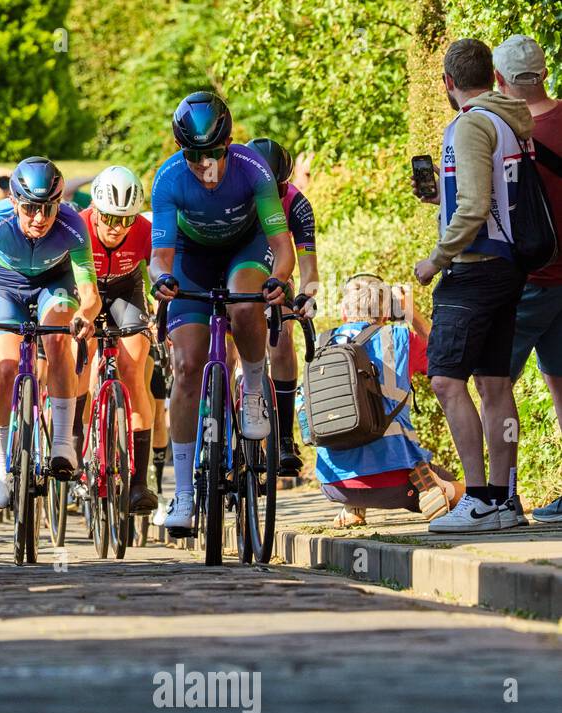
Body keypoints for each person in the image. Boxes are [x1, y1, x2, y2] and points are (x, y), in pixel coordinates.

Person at [149, 92, 294, 533]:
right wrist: (160, 279)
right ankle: (185, 494)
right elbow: (160, 256)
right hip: (192, 258)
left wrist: (280, 280)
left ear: (229, 143)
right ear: (181, 151)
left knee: (244, 300)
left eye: (213, 155)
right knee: (188, 365)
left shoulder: (253, 170)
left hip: (244, 250)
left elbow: (281, 249)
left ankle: (252, 387)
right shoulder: (169, 179)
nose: (205, 167)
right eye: (194, 157)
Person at [413, 39, 533, 533]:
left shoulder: (469, 123)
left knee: (445, 380)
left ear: (447, 83)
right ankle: (505, 499)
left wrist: (435, 259)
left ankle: (480, 498)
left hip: (474, 268)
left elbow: (475, 206)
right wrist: (439, 196)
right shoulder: (508, 120)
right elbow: (492, 195)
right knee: (494, 383)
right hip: (507, 265)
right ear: (492, 75)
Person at [0, 156, 101, 509]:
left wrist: (84, 314)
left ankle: (63, 441)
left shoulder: (72, 224)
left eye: (48, 209)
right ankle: (1, 462)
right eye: (31, 209)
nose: (39, 219)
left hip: (55, 283)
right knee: (5, 368)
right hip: (4, 287)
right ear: (14, 202)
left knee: (56, 338)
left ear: (59, 204)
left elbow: (91, 293)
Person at [312, 273, 462, 527]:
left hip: (335, 484)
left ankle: (353, 506)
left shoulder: (321, 344)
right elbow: (442, 353)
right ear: (386, 312)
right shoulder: (400, 338)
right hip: (397, 483)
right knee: (465, 490)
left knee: (350, 420)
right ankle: (441, 489)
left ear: (344, 311)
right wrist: (411, 313)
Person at [495, 35, 562, 524]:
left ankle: (503, 495)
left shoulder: (507, 133)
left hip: (531, 279)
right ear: (545, 72)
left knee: (495, 385)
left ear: (499, 80)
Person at [78, 165, 158, 515]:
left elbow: (160, 273)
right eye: (109, 218)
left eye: (125, 220)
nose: (116, 228)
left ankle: (139, 482)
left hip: (126, 292)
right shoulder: (77, 227)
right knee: (78, 359)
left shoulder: (145, 231)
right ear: (95, 211)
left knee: (132, 368)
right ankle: (76, 444)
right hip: (84, 292)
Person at [248, 136, 319, 476]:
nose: (272, 195)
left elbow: (309, 269)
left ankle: (284, 438)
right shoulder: (234, 196)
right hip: (238, 266)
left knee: (281, 340)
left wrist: (307, 296)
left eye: (278, 187)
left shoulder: (297, 204)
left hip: (277, 271)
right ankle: (220, 436)